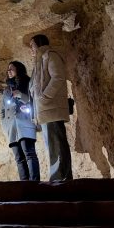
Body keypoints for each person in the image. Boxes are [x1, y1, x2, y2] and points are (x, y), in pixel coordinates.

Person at [29, 34, 73, 181]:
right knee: (52, 146)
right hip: (44, 111)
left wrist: (44, 97)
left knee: (57, 145)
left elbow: (58, 77)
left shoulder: (50, 56)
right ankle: (57, 177)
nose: (31, 50)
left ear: (39, 45)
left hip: (51, 108)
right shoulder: (38, 62)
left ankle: (61, 177)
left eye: (32, 46)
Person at [1, 61, 40, 180]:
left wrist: (20, 95)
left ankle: (35, 184)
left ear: (19, 69)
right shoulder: (7, 89)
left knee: (29, 153)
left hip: (25, 122)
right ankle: (24, 185)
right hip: (11, 127)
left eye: (11, 69)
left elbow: (35, 101)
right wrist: (5, 125)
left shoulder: (28, 83)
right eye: (8, 69)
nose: (9, 71)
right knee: (18, 158)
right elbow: (2, 110)